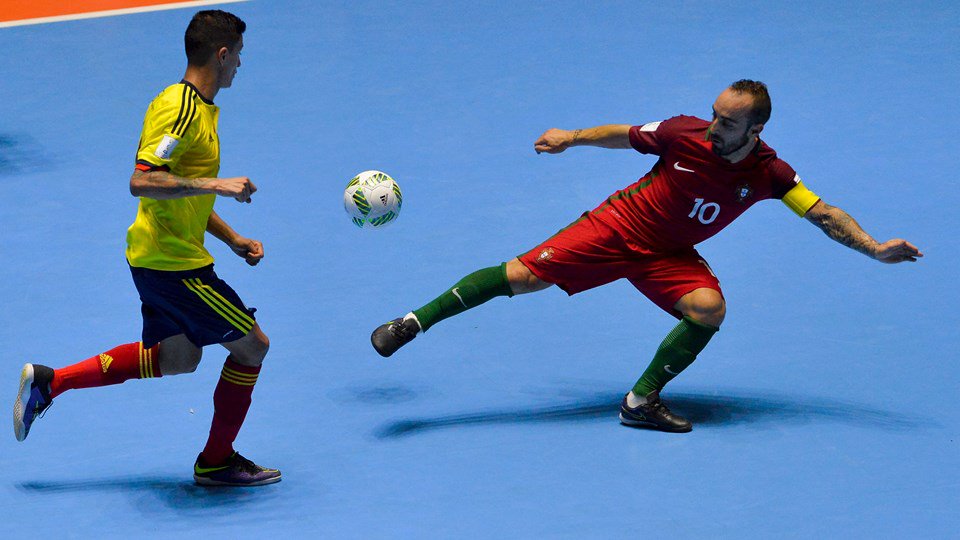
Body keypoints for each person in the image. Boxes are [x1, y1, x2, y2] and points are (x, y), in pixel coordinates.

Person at [371, 80, 922, 433]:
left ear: (755, 130)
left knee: (708, 309)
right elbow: (627, 134)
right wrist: (573, 137)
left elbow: (822, 211)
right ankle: (412, 322)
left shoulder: (770, 175)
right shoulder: (685, 135)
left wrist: (874, 248)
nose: (714, 127)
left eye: (727, 123)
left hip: (668, 253)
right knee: (522, 277)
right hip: (617, 227)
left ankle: (639, 403)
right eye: (714, 114)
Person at [13, 10, 280, 485]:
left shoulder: (197, 108)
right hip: (176, 269)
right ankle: (216, 461)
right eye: (238, 55)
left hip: (156, 258)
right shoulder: (179, 109)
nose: (240, 64)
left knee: (181, 359)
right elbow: (143, 180)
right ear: (221, 55)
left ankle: (52, 382)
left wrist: (233, 238)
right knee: (253, 347)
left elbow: (180, 193)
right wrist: (218, 183)